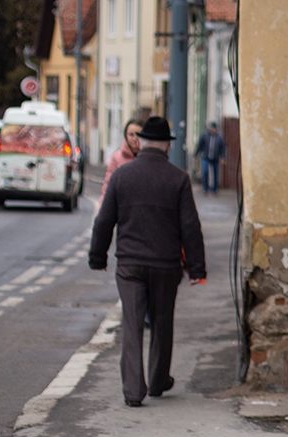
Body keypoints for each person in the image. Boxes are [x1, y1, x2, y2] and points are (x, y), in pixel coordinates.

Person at [88, 116, 207, 408]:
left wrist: (98, 256)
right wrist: (197, 268)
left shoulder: (122, 176)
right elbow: (190, 226)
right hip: (166, 266)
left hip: (129, 265)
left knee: (132, 324)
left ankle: (132, 390)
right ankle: (156, 381)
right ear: (167, 146)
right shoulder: (179, 179)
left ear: (140, 143)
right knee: (162, 322)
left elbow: (104, 220)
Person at [100, 118, 142, 200]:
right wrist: (102, 210)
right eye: (131, 134)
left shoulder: (149, 158)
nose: (135, 138)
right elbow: (107, 187)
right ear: (125, 136)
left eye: (138, 134)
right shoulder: (117, 158)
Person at [194, 121, 226, 195]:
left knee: (215, 173)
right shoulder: (205, 135)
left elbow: (223, 148)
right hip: (206, 156)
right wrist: (196, 154)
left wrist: (223, 157)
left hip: (215, 157)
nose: (212, 130)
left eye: (213, 129)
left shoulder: (220, 137)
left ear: (216, 129)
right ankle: (205, 188)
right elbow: (200, 146)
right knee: (205, 171)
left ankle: (215, 189)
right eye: (211, 128)